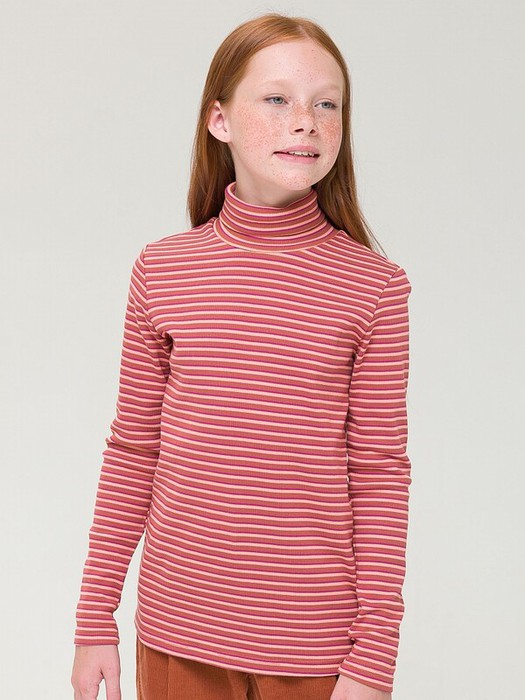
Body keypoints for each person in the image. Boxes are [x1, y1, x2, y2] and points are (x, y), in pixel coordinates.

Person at [71, 12, 412, 700]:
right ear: (219, 119)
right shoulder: (163, 270)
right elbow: (134, 450)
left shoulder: (374, 287)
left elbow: (379, 474)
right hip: (177, 635)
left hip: (312, 643)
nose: (305, 122)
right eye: (277, 98)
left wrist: (374, 654)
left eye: (327, 105)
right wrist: (94, 617)